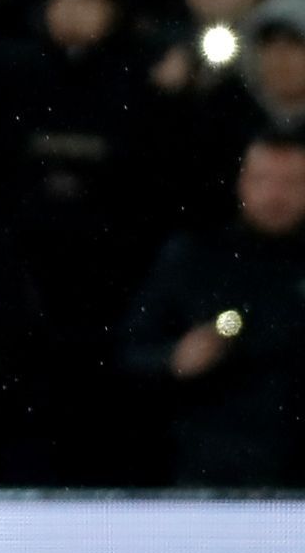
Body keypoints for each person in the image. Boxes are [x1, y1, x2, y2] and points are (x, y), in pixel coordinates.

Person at [123, 131, 305, 485]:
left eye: (293, 182)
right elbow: (131, 351)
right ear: (241, 182)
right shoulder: (194, 257)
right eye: (263, 179)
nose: (276, 194)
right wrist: (174, 358)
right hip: (209, 467)